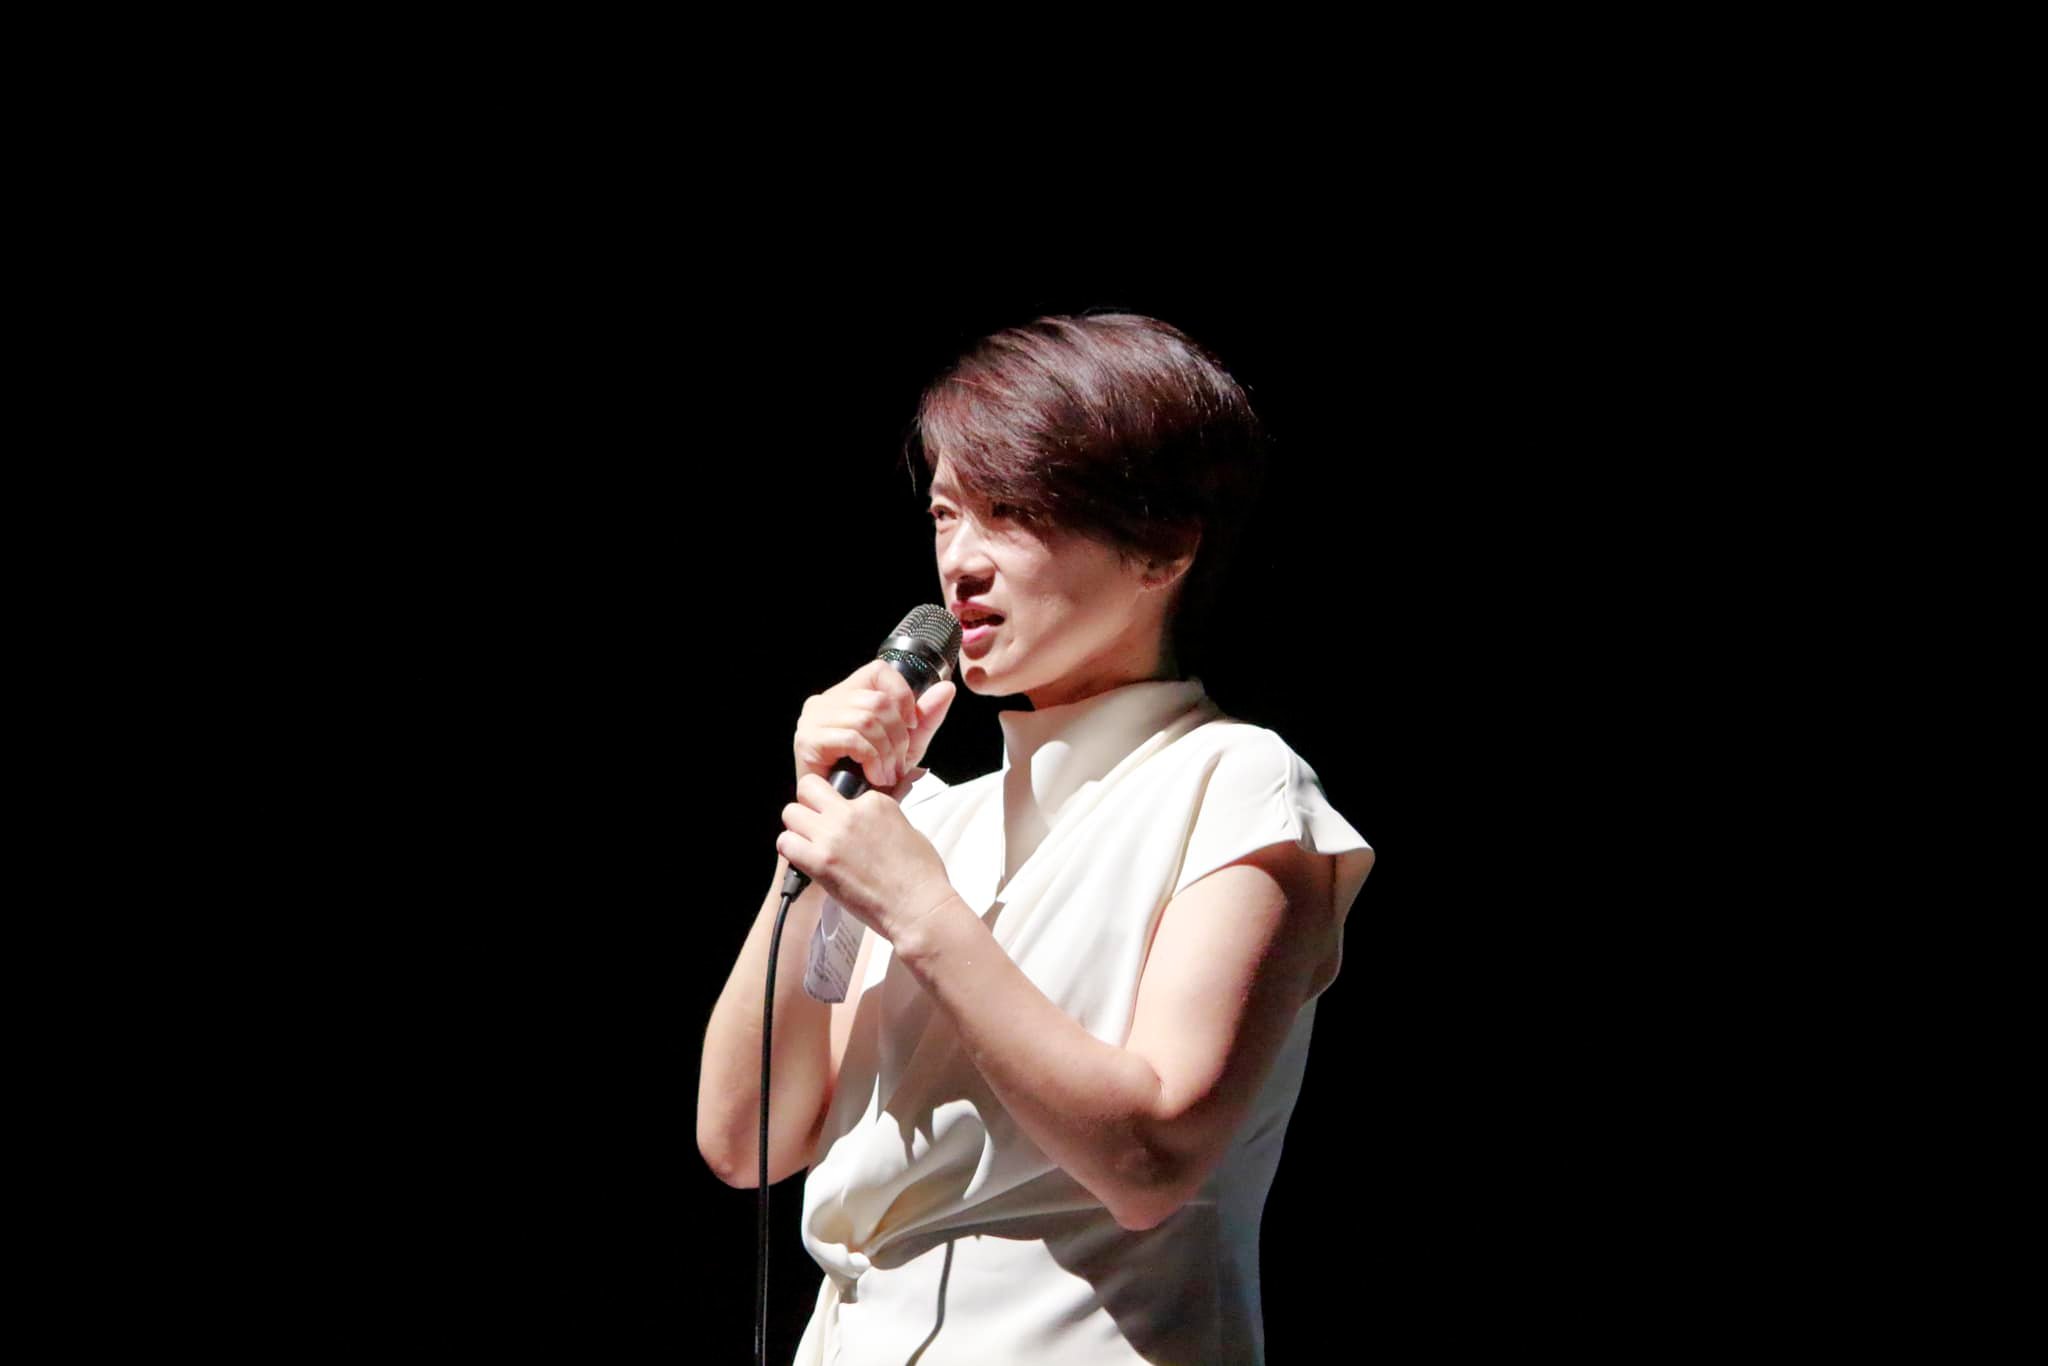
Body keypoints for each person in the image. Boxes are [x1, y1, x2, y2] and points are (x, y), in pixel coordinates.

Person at [697, 312, 1375, 1364]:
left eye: (1010, 511)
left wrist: (921, 909)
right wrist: (821, 830)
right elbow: (745, 1138)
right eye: (945, 514)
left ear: (1162, 543)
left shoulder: (1236, 781)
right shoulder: (929, 822)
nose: (959, 563)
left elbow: (1151, 1157)